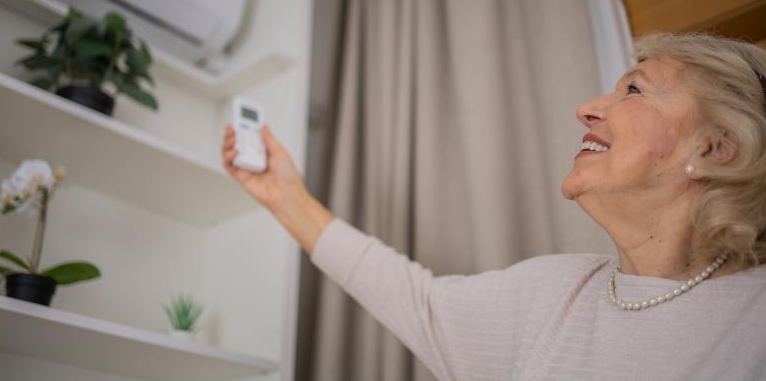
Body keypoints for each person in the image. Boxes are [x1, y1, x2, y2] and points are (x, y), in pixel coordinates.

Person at [222, 33, 766, 380]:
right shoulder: (556, 293)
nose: (587, 109)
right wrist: (285, 197)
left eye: (634, 91)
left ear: (715, 148)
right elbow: (420, 304)